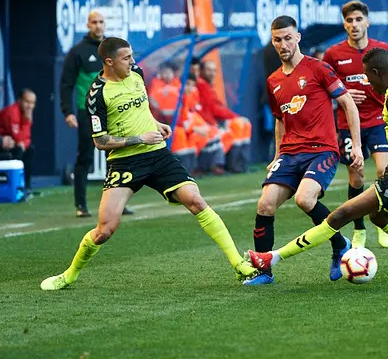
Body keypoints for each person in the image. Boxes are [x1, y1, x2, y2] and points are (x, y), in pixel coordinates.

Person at [40, 37, 256, 291]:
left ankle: (238, 263)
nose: (132, 61)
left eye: (132, 55)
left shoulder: (137, 74)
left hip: (157, 155)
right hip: (124, 162)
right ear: (109, 62)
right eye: (126, 58)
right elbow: (100, 141)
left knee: (196, 200)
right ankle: (69, 275)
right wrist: (139, 138)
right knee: (105, 229)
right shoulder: (96, 94)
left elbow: (141, 110)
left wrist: (155, 124)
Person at [247, 47, 388, 286]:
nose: (367, 82)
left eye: (367, 76)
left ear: (376, 72)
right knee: (379, 217)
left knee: (341, 215)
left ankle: (272, 258)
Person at [245, 15, 364, 286]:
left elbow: (348, 103)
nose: (283, 44)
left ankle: (339, 245)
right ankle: (264, 271)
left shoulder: (318, 68)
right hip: (290, 153)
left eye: (288, 38)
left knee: (304, 199)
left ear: (298, 37)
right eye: (277, 40)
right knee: (265, 204)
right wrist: (277, 155)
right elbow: (279, 120)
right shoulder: (273, 80)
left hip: (322, 150)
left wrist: (356, 146)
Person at [322, 0, 388, 249]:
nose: (354, 25)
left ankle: (383, 221)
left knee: (385, 171)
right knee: (356, 176)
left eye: (358, 19)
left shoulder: (382, 49)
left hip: (379, 119)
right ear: (344, 24)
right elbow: (324, 88)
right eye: (349, 20)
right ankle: (359, 229)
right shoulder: (333, 54)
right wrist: (342, 95)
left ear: (367, 22)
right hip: (349, 124)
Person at [60, 11, 133, 218]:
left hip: (113, 110)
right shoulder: (78, 52)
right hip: (88, 112)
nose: (98, 25)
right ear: (87, 24)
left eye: (101, 21)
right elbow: (66, 84)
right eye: (94, 22)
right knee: (85, 157)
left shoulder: (113, 50)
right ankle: (81, 205)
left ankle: (118, 203)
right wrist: (68, 111)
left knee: (116, 156)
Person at [0, 88, 37, 194]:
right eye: (27, 102)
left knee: (30, 148)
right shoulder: (12, 112)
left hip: (12, 143)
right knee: (19, 149)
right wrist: (27, 122)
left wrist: (24, 143)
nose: (30, 106)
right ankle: (14, 186)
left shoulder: (25, 114)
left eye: (32, 103)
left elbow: (27, 138)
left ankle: (27, 187)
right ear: (19, 100)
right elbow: (17, 137)